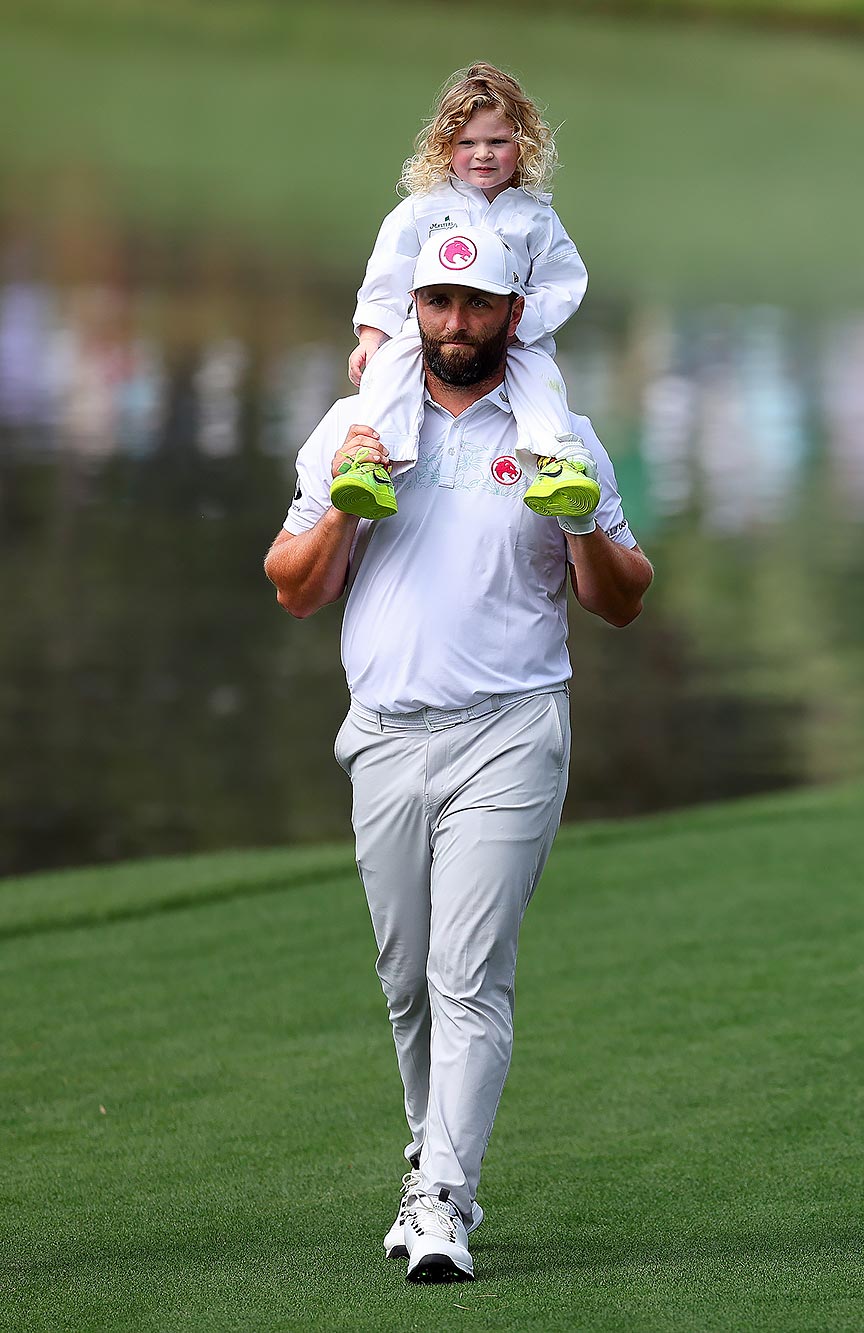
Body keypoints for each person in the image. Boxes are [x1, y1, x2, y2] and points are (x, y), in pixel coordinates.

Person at [264, 225, 653, 1281]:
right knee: (406, 980)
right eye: (438, 302)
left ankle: (441, 1199)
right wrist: (344, 513)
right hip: (386, 735)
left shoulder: (552, 430)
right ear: (416, 307)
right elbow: (295, 585)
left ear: (513, 313)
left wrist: (575, 521)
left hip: (511, 728)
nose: (455, 323)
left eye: (477, 304)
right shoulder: (359, 424)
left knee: (466, 973)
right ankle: (428, 1149)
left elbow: (621, 596)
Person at [337, 62, 595, 525]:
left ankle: (559, 463)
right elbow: (389, 274)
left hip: (506, 338)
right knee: (391, 368)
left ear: (523, 145)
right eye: (467, 143)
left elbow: (563, 282)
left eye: (497, 142)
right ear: (445, 147)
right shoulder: (422, 209)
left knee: (539, 375)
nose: (483, 155)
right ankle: (372, 462)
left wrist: (519, 328)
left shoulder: (534, 218)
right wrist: (372, 337)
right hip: (429, 334)